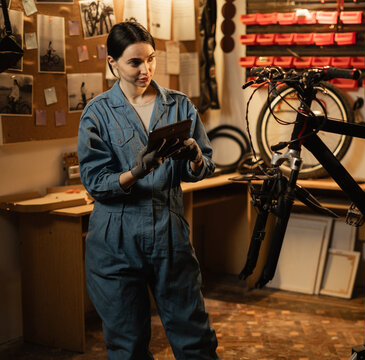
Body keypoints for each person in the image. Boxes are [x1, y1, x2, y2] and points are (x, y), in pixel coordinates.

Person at [77, 21, 220, 360]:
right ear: (112, 63)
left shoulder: (179, 105)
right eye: (135, 62)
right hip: (115, 238)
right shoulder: (96, 113)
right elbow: (96, 182)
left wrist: (195, 157)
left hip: (168, 230)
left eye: (151, 59)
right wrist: (134, 173)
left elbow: (205, 167)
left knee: (194, 338)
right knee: (127, 346)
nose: (146, 69)